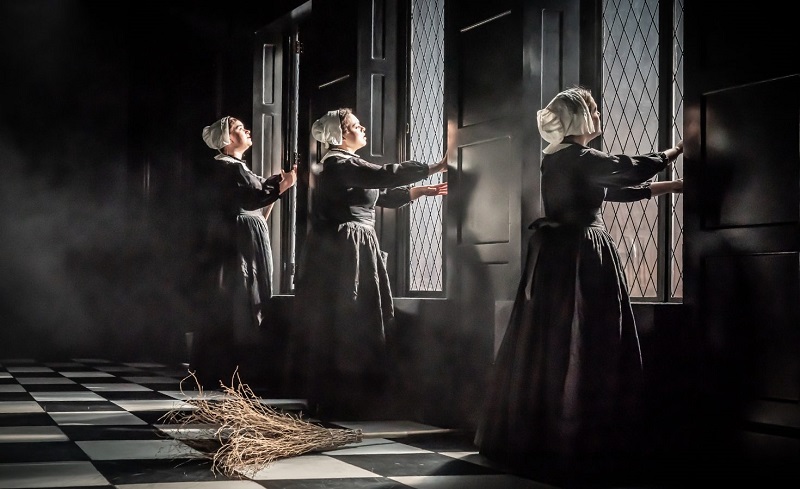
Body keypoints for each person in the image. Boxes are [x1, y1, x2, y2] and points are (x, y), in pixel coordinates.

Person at [473, 87, 683, 484]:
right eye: (593, 109)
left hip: (560, 254)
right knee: (583, 333)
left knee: (556, 335)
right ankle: (577, 433)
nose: (598, 114)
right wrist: (672, 153)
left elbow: (616, 189)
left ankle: (548, 429)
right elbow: (627, 168)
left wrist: (671, 187)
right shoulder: (579, 156)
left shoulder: (560, 157)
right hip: (580, 253)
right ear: (579, 117)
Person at [290, 107, 448, 420]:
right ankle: (342, 395)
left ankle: (352, 394)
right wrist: (434, 167)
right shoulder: (339, 163)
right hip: (345, 249)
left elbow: (381, 194)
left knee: (357, 313)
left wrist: (422, 191)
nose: (362, 128)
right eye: (355, 125)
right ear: (339, 134)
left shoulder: (346, 165)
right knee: (347, 315)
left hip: (356, 245)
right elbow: (384, 174)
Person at [191, 115, 297, 386]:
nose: (247, 131)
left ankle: (239, 368)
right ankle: (233, 369)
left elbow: (259, 193)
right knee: (241, 293)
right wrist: (280, 188)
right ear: (227, 140)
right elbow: (252, 197)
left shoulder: (238, 167)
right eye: (239, 128)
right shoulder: (228, 168)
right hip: (239, 238)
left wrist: (278, 186)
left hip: (248, 234)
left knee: (249, 292)